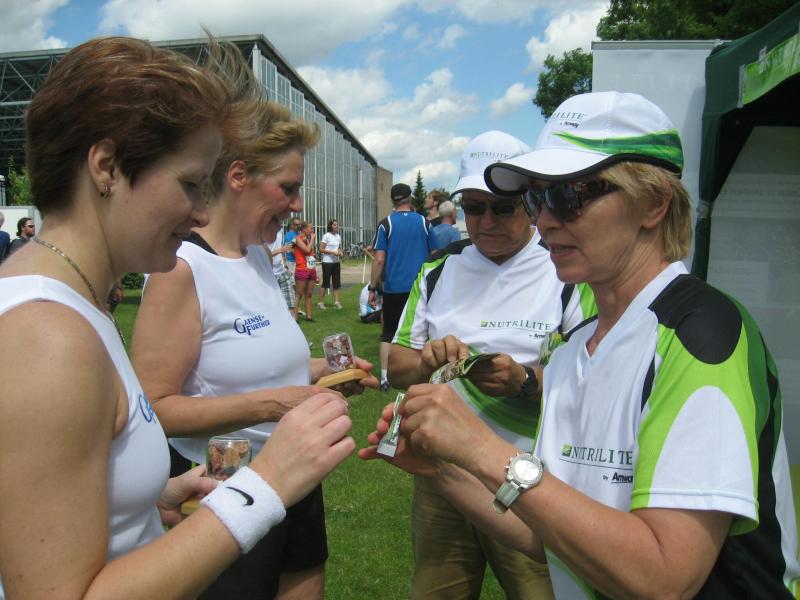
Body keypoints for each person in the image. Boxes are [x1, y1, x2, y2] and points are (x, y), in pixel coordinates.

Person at [362, 91, 800, 599]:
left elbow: (665, 578)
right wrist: (442, 468)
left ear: (653, 202)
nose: (546, 220)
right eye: (538, 198)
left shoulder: (702, 333)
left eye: (569, 196)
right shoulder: (574, 349)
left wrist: (481, 449)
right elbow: (547, 531)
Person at [0, 36, 354, 600]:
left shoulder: (76, 306)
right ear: (107, 167)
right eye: (190, 184)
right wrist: (266, 484)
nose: (203, 212)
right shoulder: (47, 336)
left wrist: (153, 501)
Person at [131, 98, 378, 600]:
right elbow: (153, 409)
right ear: (239, 176)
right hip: (223, 490)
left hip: (296, 471)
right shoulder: (183, 269)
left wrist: (326, 373)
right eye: (288, 188)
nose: (298, 205)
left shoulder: (260, 258)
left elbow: (266, 364)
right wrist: (274, 404)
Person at [389, 129, 595, 600]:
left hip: (531, 477)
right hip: (443, 476)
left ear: (530, 204)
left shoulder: (565, 272)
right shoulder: (439, 270)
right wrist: (426, 362)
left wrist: (523, 381)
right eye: (473, 207)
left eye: (501, 208)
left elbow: (593, 379)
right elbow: (395, 363)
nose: (484, 222)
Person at [368, 182, 434, 392]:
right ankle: (421, 374)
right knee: (423, 333)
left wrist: (372, 287)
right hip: (420, 288)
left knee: (389, 332)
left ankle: (385, 378)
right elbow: (435, 254)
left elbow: (379, 259)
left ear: (392, 201)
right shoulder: (424, 222)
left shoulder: (385, 224)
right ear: (410, 198)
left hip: (394, 287)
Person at [268, 227, 297, 319]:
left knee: (290, 303)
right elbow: (261, 255)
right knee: (271, 304)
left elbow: (282, 250)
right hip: (269, 273)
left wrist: (285, 266)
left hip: (282, 271)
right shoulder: (262, 232)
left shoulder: (280, 231)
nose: (280, 223)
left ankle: (292, 324)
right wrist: (280, 250)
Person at [294, 221, 318, 322]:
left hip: (311, 269)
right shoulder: (297, 239)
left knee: (309, 294)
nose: (312, 230)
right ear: (304, 229)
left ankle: (309, 316)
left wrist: (315, 271)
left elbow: (311, 255)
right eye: (310, 228)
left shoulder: (308, 239)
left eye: (312, 228)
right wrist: (312, 239)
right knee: (299, 294)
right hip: (302, 269)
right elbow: (307, 250)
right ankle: (294, 317)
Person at [318, 218, 343, 310]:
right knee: (325, 283)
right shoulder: (326, 236)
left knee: (336, 283)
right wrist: (332, 252)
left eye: (337, 224)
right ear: (330, 226)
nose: (336, 226)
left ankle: (336, 302)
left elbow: (338, 248)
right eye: (334, 225)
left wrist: (340, 252)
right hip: (327, 262)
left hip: (336, 262)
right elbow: (321, 249)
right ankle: (321, 303)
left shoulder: (338, 236)